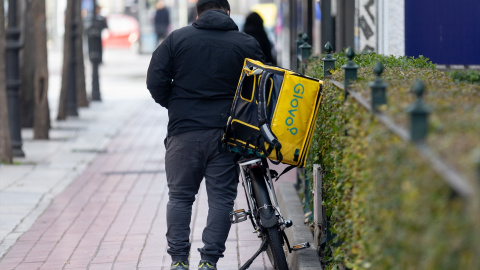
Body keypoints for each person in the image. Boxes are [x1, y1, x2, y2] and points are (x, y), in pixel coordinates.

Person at [146, 1, 265, 269]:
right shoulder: (245, 43)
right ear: (227, 12)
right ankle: (209, 261)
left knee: (180, 197)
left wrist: (177, 105)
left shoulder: (177, 39)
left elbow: (155, 80)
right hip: (226, 134)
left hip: (184, 132)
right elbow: (261, 87)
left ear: (198, 13)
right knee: (221, 199)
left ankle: (178, 260)